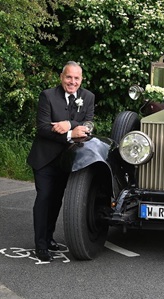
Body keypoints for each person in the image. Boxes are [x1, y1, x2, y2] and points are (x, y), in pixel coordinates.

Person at [27, 61, 95, 262]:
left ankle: (49, 238)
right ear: (61, 77)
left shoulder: (88, 97)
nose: (72, 82)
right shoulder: (47, 96)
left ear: (81, 79)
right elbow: (42, 128)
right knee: (45, 197)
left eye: (76, 78)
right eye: (68, 77)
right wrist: (70, 133)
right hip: (45, 158)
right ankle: (40, 244)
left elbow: (89, 124)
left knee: (57, 199)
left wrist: (69, 124)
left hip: (69, 160)